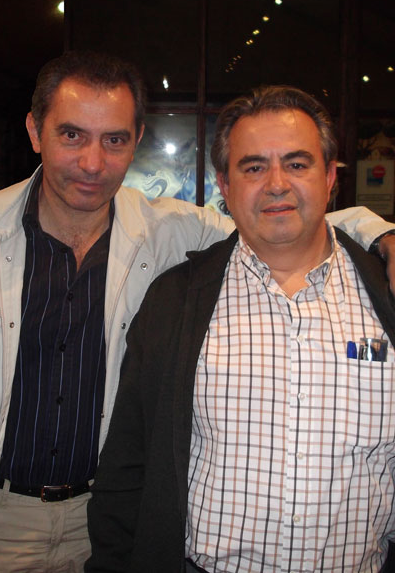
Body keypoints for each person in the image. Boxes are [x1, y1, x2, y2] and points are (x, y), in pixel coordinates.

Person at [0, 51, 395, 573]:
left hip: (116, 507)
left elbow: (277, 219)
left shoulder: (172, 231)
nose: (93, 163)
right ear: (35, 131)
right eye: (72, 135)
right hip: (2, 518)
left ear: (137, 140)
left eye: (114, 140)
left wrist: (381, 234)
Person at [86, 85, 395, 572]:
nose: (276, 184)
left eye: (297, 164)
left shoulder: (388, 296)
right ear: (224, 187)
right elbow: (127, 466)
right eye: (253, 168)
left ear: (330, 177)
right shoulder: (175, 301)